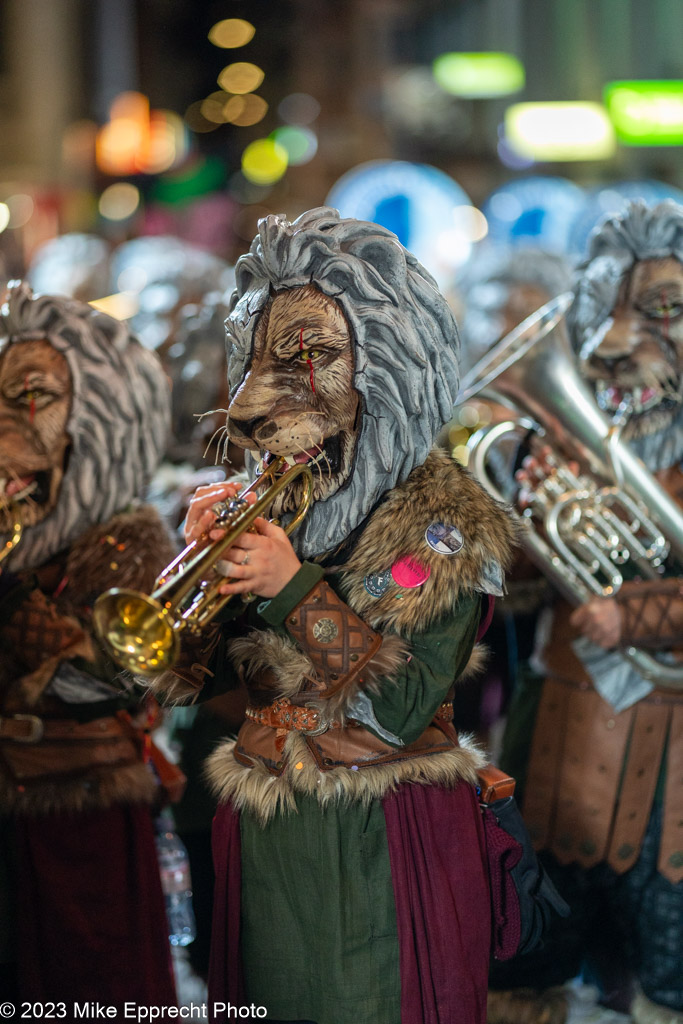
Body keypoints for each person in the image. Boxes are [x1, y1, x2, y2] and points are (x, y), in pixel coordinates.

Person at [146, 207, 520, 1024]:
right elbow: (207, 694)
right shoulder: (281, 499)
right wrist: (203, 579)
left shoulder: (441, 522)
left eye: (307, 355)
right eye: (250, 360)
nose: (245, 405)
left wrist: (287, 584)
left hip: (381, 845)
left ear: (387, 362)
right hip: (268, 834)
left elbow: (395, 711)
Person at [488, 201, 683, 1024]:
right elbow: (512, 585)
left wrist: (631, 616)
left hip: (669, 770)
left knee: (668, 971)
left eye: (662, 311)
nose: (613, 344)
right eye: (602, 312)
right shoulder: (559, 444)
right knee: (538, 957)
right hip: (558, 735)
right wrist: (519, 525)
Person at [0, 282, 178, 1004]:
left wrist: (9, 589)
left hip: (82, 809)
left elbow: (100, 680)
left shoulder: (129, 537)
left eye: (33, 398)